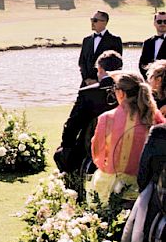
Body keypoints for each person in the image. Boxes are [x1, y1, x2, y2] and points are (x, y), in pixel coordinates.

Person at [89, 72, 165, 204]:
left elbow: (98, 155)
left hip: (111, 185)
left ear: (121, 93)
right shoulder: (156, 117)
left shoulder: (107, 118)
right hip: (145, 189)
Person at [57, 50, 123, 173]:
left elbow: (72, 124)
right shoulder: (132, 91)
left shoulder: (87, 93)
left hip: (92, 146)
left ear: (101, 70)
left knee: (61, 154)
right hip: (124, 142)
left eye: (98, 70)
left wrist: (65, 147)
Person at [79, 10, 122, 87]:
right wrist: (87, 79)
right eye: (91, 20)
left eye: (95, 20)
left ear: (104, 22)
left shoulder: (115, 40)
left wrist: (99, 80)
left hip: (105, 85)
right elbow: (82, 62)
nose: (92, 23)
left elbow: (116, 64)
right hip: (86, 84)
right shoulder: (86, 40)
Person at [138, 11, 166, 79]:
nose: (162, 24)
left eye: (165, 21)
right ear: (154, 23)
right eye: (159, 21)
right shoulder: (148, 42)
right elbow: (142, 64)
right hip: (150, 82)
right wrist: (149, 78)